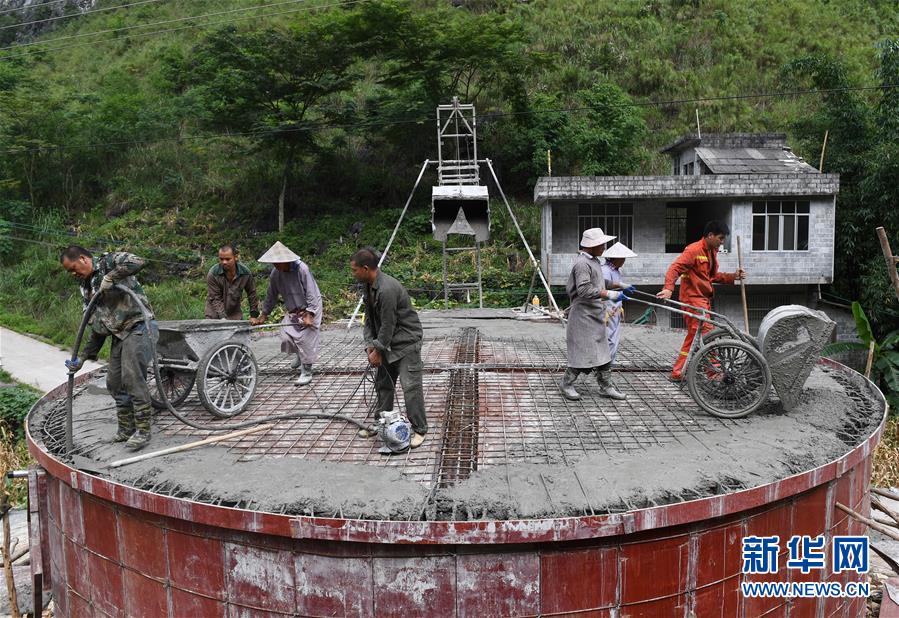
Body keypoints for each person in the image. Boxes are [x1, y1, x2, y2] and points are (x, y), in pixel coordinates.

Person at [59, 245, 158, 450]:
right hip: (119, 335)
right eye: (69, 272)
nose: (73, 274)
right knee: (114, 382)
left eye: (73, 268)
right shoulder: (86, 287)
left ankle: (143, 431)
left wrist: (111, 276)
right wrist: (83, 358)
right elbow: (97, 325)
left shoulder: (108, 262)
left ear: (83, 259)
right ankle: (126, 429)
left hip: (140, 326)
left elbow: (138, 261)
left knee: (132, 378)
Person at [350, 247, 427, 449]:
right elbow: (369, 320)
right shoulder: (368, 286)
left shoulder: (387, 289)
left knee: (410, 388)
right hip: (387, 344)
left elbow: (388, 325)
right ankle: (381, 423)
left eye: (354, 270)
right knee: (383, 384)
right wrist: (370, 345)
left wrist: (378, 349)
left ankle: (419, 429)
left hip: (405, 343)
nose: (353, 274)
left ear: (366, 269)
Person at [657, 220, 745, 382]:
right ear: (710, 235)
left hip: (702, 300)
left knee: (694, 337)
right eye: (720, 238)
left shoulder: (711, 251)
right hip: (693, 300)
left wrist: (733, 276)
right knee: (708, 335)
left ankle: (678, 372)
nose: (722, 242)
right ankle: (713, 372)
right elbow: (675, 268)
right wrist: (668, 288)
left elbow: (712, 276)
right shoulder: (694, 250)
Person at [559, 228, 632, 402]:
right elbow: (584, 289)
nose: (604, 248)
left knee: (603, 353)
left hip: (595, 313)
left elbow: (599, 282)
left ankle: (606, 386)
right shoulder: (582, 264)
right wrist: (609, 294)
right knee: (583, 352)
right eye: (601, 244)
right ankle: (566, 384)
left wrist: (619, 285)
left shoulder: (594, 261)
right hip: (583, 316)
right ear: (592, 246)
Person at [249, 241, 322, 386]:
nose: (275, 265)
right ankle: (299, 355)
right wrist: (264, 314)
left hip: (310, 307)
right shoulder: (275, 273)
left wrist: (310, 313)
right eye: (273, 263)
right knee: (286, 336)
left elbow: (311, 292)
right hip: (293, 309)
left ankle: (306, 371)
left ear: (286, 260)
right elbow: (271, 295)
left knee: (306, 340)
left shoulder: (302, 269)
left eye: (278, 262)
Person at [600, 242, 638, 364]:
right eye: (622, 258)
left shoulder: (616, 271)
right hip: (608, 307)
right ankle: (605, 361)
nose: (624, 261)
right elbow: (604, 288)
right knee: (608, 335)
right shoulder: (605, 270)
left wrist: (623, 287)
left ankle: (611, 360)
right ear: (616, 258)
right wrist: (620, 288)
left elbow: (616, 286)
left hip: (616, 307)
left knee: (615, 335)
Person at [204, 243, 260, 321]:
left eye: (228, 259)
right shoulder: (213, 273)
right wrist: (223, 317)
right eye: (221, 259)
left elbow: (252, 293)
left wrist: (253, 315)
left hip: (234, 315)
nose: (224, 262)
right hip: (214, 315)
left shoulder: (245, 273)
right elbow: (215, 298)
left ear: (235, 257)